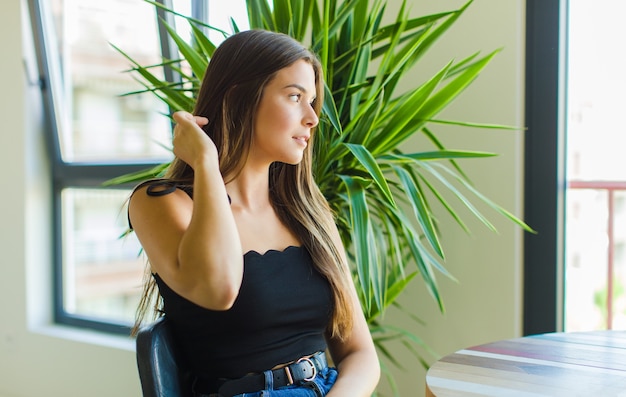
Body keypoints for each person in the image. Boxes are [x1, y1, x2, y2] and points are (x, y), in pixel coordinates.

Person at [128, 29, 380, 397]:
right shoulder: (160, 202)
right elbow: (219, 290)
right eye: (295, 97)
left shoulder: (309, 212)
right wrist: (206, 165)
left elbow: (360, 353)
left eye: (312, 101)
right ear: (239, 99)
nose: (312, 117)